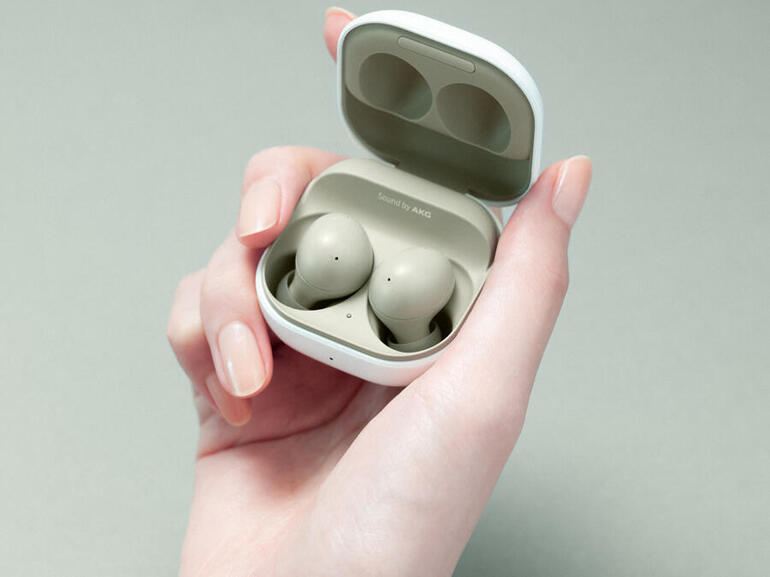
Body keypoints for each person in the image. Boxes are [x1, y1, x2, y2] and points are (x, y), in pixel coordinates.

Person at [166, 7, 592, 576]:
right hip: (280, 431)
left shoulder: (459, 244)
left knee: (351, 257)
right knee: (331, 243)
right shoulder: (343, 203)